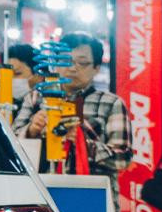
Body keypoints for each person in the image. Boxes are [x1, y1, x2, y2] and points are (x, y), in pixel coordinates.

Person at [17, 33, 130, 178]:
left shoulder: (111, 103)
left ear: (96, 68)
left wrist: (84, 144)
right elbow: (10, 146)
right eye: (65, 61)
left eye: (82, 63)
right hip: (42, 186)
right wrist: (31, 130)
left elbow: (123, 159)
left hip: (92, 189)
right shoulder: (35, 98)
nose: (72, 68)